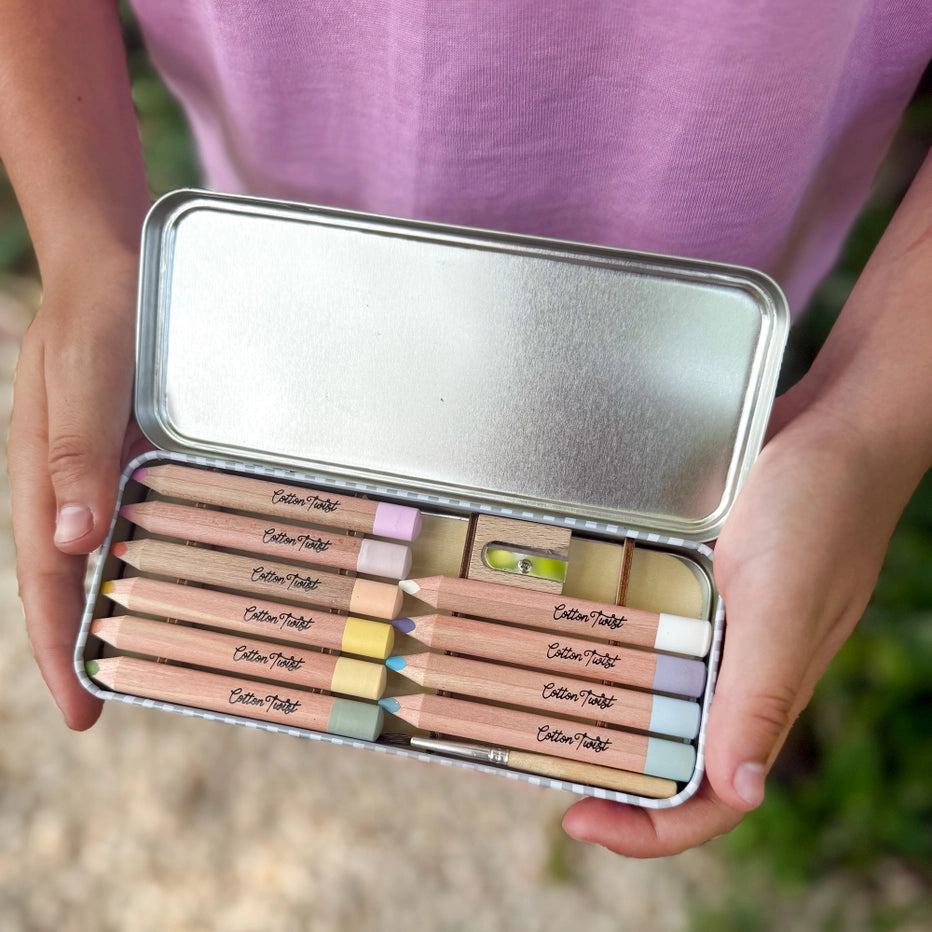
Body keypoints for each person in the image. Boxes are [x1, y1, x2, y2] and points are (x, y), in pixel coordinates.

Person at [1, 1, 930, 859]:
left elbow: (411, 641)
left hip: (671, 336)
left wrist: (873, 413)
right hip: (298, 295)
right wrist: (85, 236)